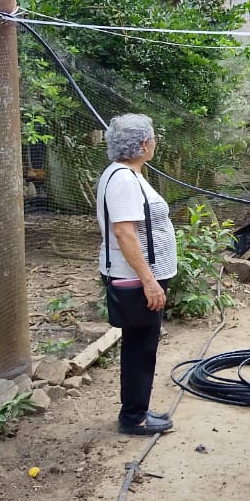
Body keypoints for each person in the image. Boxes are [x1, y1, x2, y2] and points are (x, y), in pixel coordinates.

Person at [96, 114, 178, 435]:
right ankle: (134, 417)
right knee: (140, 348)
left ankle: (136, 409)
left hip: (139, 275)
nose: (155, 142)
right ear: (144, 144)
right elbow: (125, 233)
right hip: (136, 278)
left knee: (139, 345)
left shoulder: (127, 174)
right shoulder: (124, 180)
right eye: (154, 137)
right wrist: (149, 281)